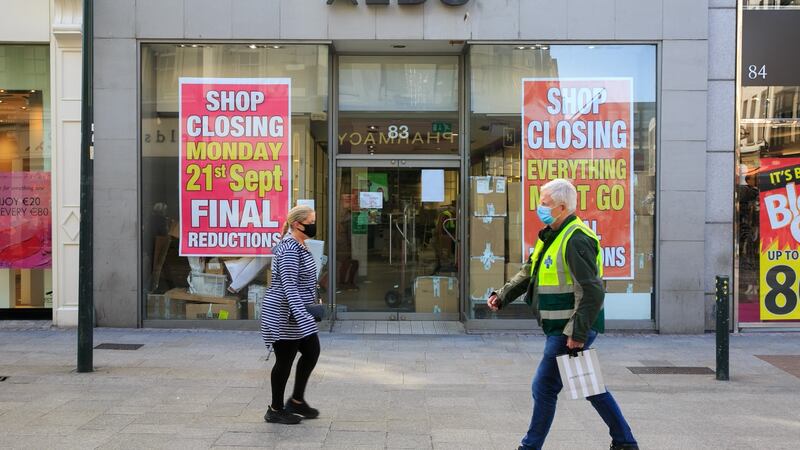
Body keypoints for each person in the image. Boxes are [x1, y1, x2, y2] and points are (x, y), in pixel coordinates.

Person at [487, 179, 638, 450]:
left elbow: (592, 291)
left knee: (543, 387)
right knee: (589, 386)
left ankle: (529, 447)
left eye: (544, 204)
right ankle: (624, 441)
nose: (539, 208)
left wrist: (576, 333)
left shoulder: (576, 238)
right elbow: (529, 271)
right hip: (563, 327)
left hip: (568, 329)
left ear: (562, 207)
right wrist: (503, 295)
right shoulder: (550, 234)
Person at [260, 205, 321, 424]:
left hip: (298, 313)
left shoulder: (300, 244)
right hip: (284, 314)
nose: (314, 225)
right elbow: (288, 286)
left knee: (312, 350)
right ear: (297, 224)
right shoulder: (289, 249)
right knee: (284, 361)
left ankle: (296, 401)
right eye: (311, 221)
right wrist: (302, 315)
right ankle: (275, 410)